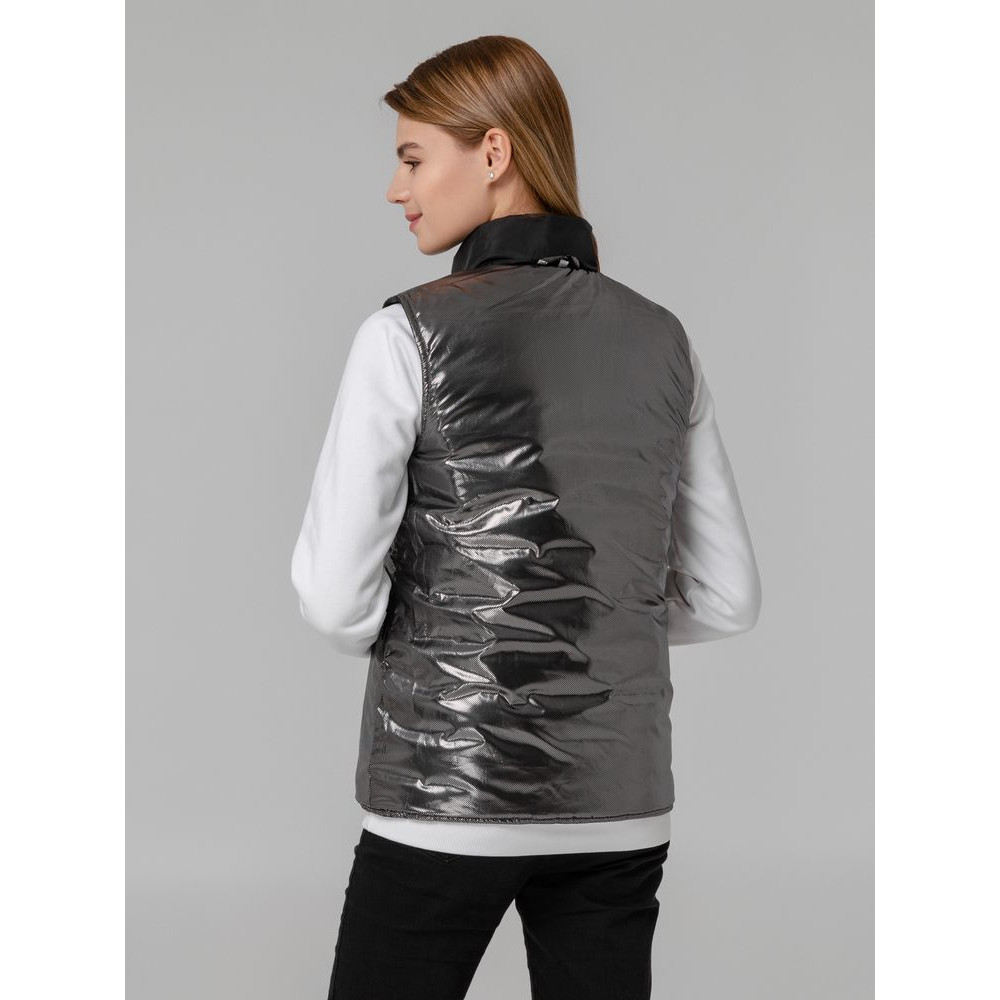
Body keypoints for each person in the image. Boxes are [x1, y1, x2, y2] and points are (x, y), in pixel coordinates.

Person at [291, 34, 762, 1000]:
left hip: (443, 798)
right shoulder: (663, 341)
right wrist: (592, 629)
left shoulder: (405, 334)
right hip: (619, 807)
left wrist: (458, 640)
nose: (395, 187)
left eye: (413, 157)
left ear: (495, 152)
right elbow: (729, 598)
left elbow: (336, 604)